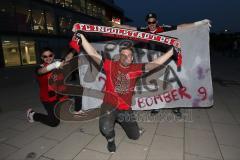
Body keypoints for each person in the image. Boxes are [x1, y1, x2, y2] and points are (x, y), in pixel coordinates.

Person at [73, 32, 175, 153]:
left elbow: (154, 64)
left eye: (129, 55)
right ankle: (111, 141)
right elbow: (93, 54)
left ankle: (129, 126)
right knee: (105, 127)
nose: (126, 57)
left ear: (132, 58)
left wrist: (172, 52)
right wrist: (83, 38)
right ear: (119, 56)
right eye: (123, 55)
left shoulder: (135, 68)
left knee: (135, 136)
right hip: (109, 104)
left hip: (125, 107)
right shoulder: (110, 65)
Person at [112, 12, 210, 116]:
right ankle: (156, 105)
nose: (151, 24)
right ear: (147, 23)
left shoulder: (163, 28)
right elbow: (130, 28)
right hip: (155, 61)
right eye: (149, 22)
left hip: (169, 59)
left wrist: (199, 23)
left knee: (175, 83)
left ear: (156, 21)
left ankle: (176, 106)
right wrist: (114, 25)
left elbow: (181, 27)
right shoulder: (145, 30)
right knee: (157, 84)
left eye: (153, 21)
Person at [26, 47, 65, 127]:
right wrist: (54, 65)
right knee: (54, 123)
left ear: (53, 55)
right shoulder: (40, 68)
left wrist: (74, 49)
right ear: (42, 58)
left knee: (58, 114)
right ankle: (33, 115)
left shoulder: (58, 65)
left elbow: (67, 59)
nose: (48, 58)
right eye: (45, 56)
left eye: (50, 55)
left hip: (57, 96)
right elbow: (41, 71)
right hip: (47, 99)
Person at [62, 48, 83, 114]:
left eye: (72, 57)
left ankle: (73, 98)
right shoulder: (62, 63)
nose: (69, 58)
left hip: (70, 82)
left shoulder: (75, 62)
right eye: (68, 56)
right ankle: (77, 111)